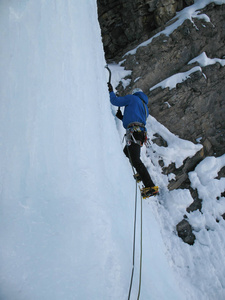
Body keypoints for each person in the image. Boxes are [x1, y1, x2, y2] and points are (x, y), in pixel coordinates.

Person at [108, 83, 158, 198]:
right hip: (139, 133)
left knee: (135, 159)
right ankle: (141, 174)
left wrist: (110, 91)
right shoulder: (145, 107)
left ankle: (150, 186)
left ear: (134, 93)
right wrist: (122, 117)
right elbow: (135, 117)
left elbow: (115, 101)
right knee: (127, 153)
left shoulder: (132, 98)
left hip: (134, 132)